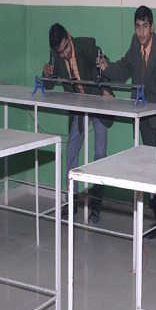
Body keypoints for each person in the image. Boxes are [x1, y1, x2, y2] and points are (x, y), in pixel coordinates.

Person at [97, 6, 156, 239]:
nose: (141, 32)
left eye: (145, 27)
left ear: (152, 26)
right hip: (144, 117)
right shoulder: (135, 43)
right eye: (138, 27)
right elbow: (125, 68)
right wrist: (107, 67)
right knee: (150, 168)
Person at [42, 23, 113, 224]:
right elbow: (48, 85)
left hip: (98, 103)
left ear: (69, 37)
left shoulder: (87, 45)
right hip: (79, 107)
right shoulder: (56, 55)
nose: (64, 54)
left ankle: (96, 205)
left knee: (100, 154)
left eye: (66, 48)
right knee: (71, 149)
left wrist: (105, 89)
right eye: (60, 52)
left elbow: (105, 67)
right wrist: (46, 75)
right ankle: (71, 200)